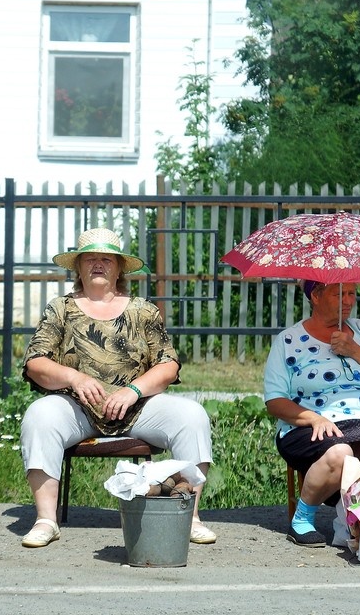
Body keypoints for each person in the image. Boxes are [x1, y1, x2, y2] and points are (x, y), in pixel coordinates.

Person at [18, 227, 216, 548]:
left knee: (192, 415)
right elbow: (35, 363)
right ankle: (46, 520)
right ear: (78, 267)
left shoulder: (143, 310)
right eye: (90, 259)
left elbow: (168, 365)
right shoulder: (60, 309)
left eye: (107, 259)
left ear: (120, 267)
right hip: (77, 409)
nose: (98, 264)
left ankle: (188, 517)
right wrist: (75, 378)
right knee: (40, 415)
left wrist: (134, 390)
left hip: (138, 409)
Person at [264, 280, 360, 548]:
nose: (349, 300)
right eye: (339, 294)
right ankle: (302, 518)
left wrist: (354, 350)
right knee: (340, 453)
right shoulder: (288, 341)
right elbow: (274, 401)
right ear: (315, 297)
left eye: (352, 293)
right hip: (310, 426)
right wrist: (314, 418)